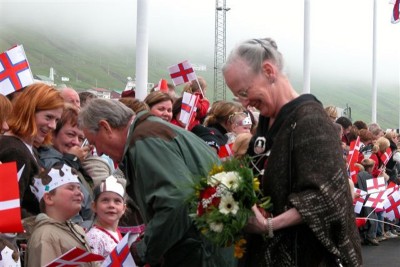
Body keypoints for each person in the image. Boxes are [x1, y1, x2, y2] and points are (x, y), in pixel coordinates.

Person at [222, 37, 362, 266]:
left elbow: (329, 197)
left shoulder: (311, 120)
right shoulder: (266, 122)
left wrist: (269, 225)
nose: (245, 103)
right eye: (238, 97)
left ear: (268, 71)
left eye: (245, 92)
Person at [78, 99, 234, 266]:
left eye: (95, 143)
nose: (99, 152)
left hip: (202, 253)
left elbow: (176, 202)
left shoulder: (145, 141)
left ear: (105, 127)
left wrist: (143, 251)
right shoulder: (152, 132)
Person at [0, 84, 64, 217]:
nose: (53, 125)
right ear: (29, 112)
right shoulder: (14, 151)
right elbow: (9, 212)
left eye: (56, 120)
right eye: (48, 117)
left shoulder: (28, 148)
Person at [26, 164, 97, 266]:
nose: (79, 193)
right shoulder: (45, 236)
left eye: (79, 188)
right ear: (49, 198)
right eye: (71, 188)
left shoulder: (78, 229)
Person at [86, 176, 126, 258]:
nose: (111, 205)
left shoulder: (116, 232)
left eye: (117, 201)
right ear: (94, 206)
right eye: (105, 200)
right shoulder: (95, 238)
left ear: (123, 209)